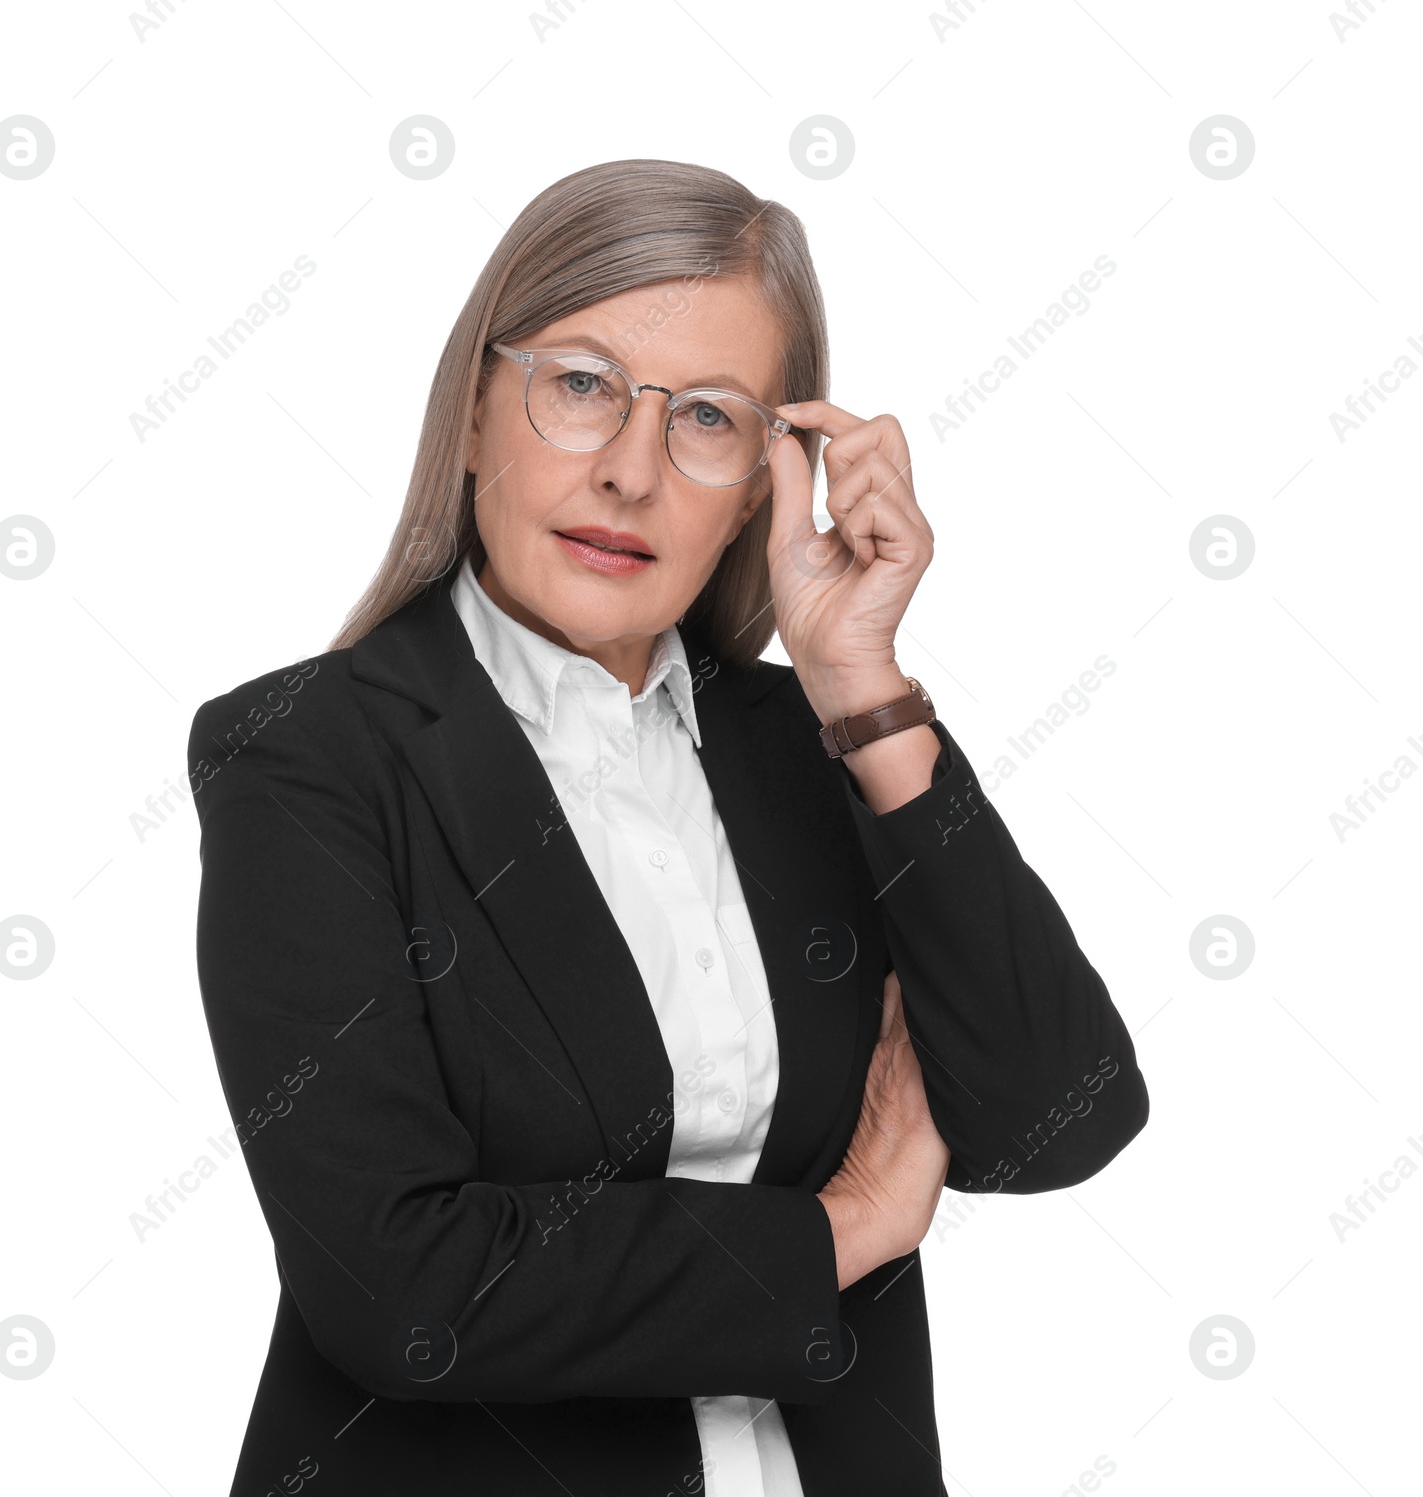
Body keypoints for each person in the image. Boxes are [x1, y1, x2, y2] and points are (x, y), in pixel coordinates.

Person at [187, 158, 1149, 1497]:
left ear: (764, 480)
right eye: (580, 385)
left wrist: (868, 693)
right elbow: (403, 1281)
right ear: (475, 412)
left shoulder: (813, 748)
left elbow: (1057, 1118)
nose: (631, 470)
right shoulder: (310, 757)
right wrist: (842, 1228)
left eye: (705, 416)